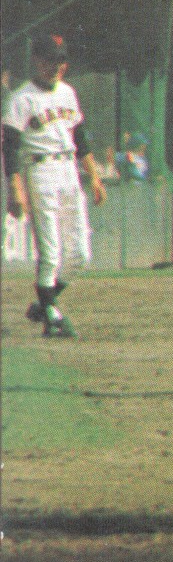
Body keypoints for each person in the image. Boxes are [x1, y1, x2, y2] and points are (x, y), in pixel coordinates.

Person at [2, 33, 107, 338]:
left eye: (61, 60)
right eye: (51, 59)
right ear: (37, 60)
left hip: (69, 170)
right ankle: (52, 317)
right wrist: (15, 189)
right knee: (50, 253)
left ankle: (45, 303)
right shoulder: (21, 98)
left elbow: (80, 138)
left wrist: (94, 176)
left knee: (80, 256)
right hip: (41, 170)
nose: (57, 66)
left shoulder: (68, 93)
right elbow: (10, 148)